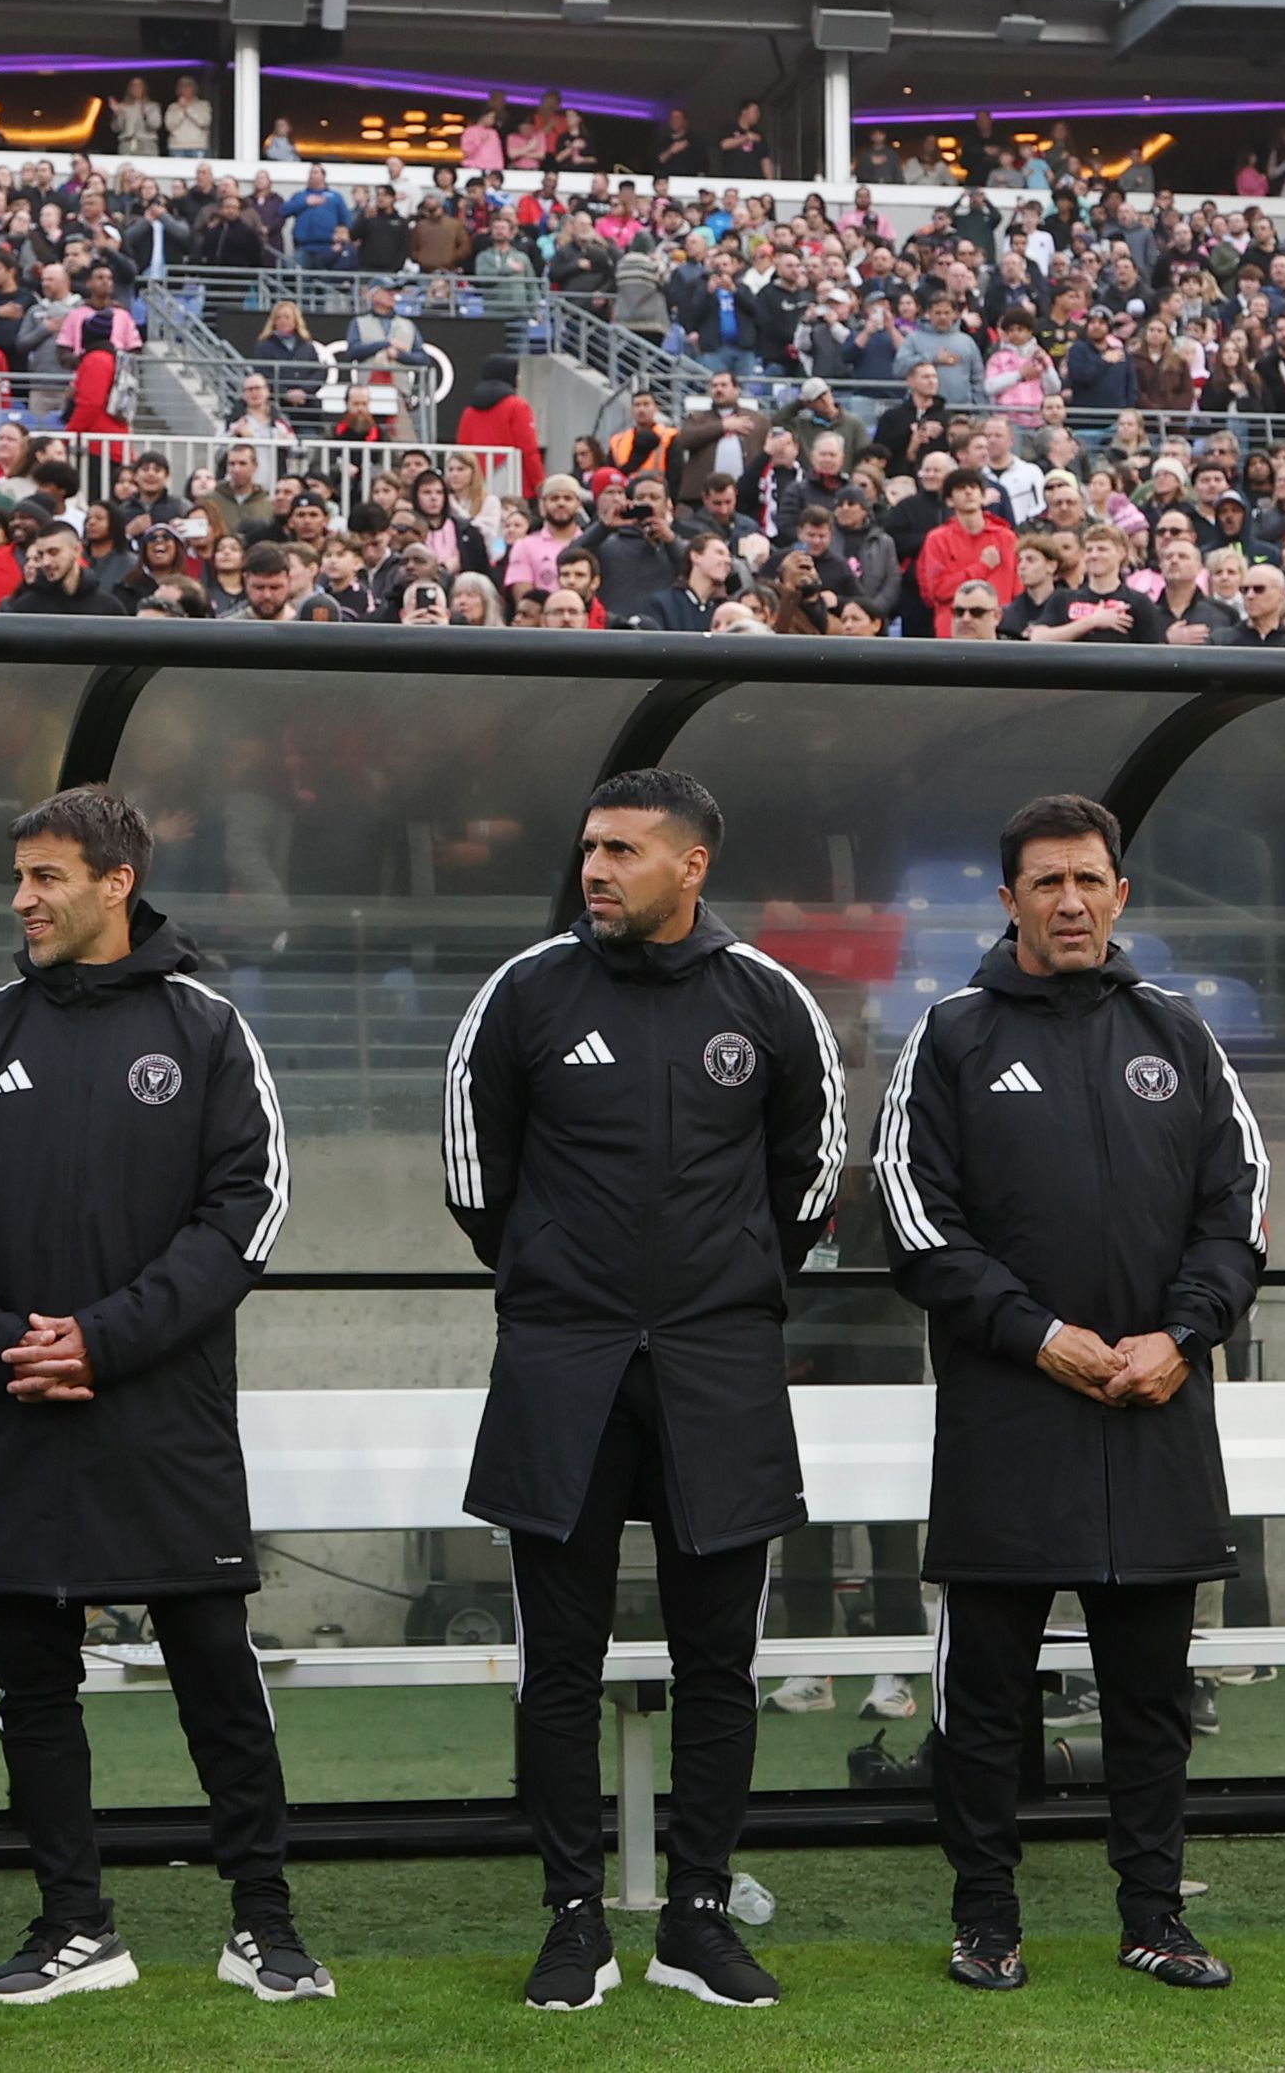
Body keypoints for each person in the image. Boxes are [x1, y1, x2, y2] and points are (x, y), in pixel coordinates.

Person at [0, 787, 323, 2007]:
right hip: (14, 1401)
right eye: (18, 876)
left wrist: (105, 1337)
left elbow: (245, 1214)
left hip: (158, 1409)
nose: (22, 899)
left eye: (45, 876)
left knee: (213, 1667)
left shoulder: (205, 1028)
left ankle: (264, 1921)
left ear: (115, 882)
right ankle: (75, 1924)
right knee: (29, 1675)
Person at [440, 768, 842, 2015]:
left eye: (621, 849)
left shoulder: (767, 998)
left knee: (719, 1662)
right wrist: (557, 1279)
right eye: (589, 849)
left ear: (690, 865)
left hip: (721, 1373)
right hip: (561, 1367)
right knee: (557, 1661)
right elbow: (474, 1175)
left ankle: (695, 1917)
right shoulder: (525, 990)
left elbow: (811, 1174)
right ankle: (573, 1919)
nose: (595, 869)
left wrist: (725, 1288)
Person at [873, 793, 1264, 1995]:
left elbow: (1238, 1208)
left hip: (1154, 1405)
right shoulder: (950, 1034)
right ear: (1007, 900)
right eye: (1045, 881)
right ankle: (985, 1917)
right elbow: (915, 1220)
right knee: (985, 1699)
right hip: (1009, 1417)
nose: (1070, 900)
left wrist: (1180, 1335)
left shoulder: (1178, 1033)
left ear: (1120, 892)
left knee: (1150, 1697)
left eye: (1089, 878)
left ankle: (1154, 1915)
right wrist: (1037, 1334)